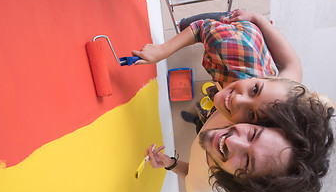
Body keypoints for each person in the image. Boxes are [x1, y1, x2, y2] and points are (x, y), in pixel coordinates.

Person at [146, 93, 334, 192]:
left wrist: (170, 164)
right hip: (207, 126)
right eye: (253, 134)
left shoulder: (203, 191)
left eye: (246, 161)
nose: (231, 140)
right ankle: (198, 120)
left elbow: (191, 175)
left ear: (241, 183)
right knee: (202, 128)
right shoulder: (234, 112)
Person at [132, 9, 309, 125]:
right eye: (255, 90)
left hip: (230, 68)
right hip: (232, 29)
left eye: (251, 115)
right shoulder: (226, 45)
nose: (239, 101)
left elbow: (294, 66)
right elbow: (199, 28)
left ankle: (199, 118)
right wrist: (163, 50)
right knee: (184, 25)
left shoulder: (279, 103)